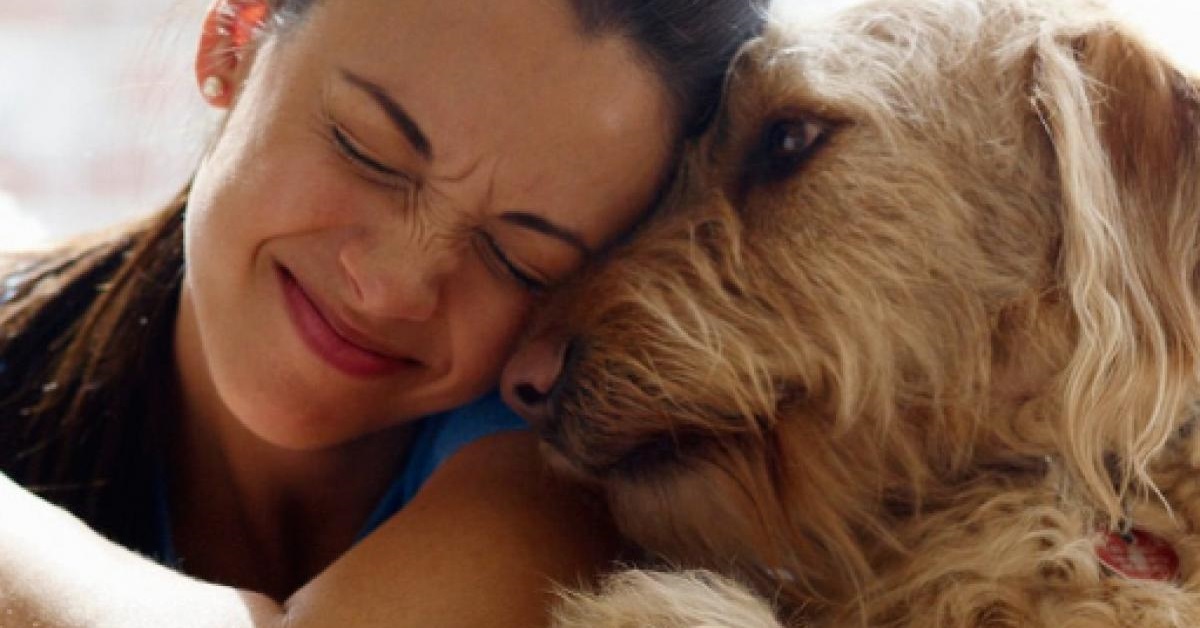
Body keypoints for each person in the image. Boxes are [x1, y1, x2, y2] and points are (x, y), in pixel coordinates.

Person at [0, 0, 767, 625]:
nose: (397, 286)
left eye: (518, 260)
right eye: (367, 150)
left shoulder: (554, 484)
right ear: (234, 40)